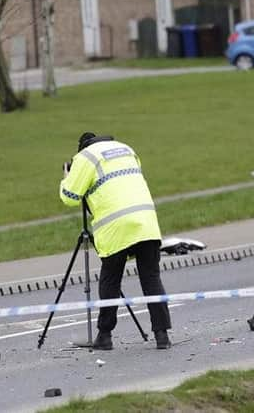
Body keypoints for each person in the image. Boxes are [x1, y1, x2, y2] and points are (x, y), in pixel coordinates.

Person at [60, 132, 172, 350]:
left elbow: (70, 197)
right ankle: (162, 336)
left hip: (115, 227)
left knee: (110, 279)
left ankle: (104, 336)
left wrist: (66, 176)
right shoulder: (126, 149)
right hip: (146, 220)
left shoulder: (86, 157)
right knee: (151, 277)